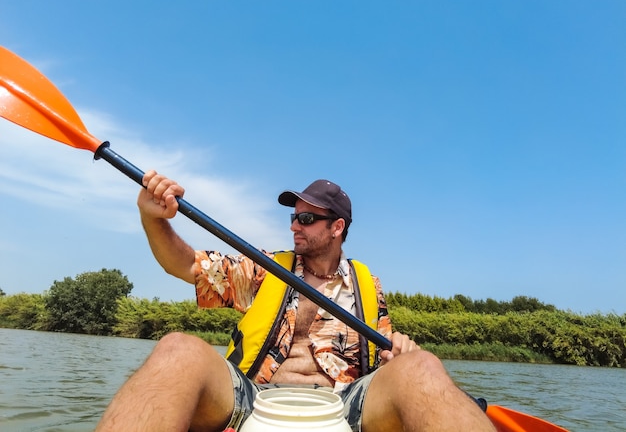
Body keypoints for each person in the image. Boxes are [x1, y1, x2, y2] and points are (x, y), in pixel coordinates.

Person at [95, 172, 495, 432]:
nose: (293, 226)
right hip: (250, 395)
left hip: (346, 404)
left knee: (424, 366)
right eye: (293, 217)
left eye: (306, 219)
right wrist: (154, 218)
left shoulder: (367, 285)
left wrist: (403, 353)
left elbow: (387, 352)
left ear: (337, 228)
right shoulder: (267, 269)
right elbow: (186, 265)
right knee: (176, 349)